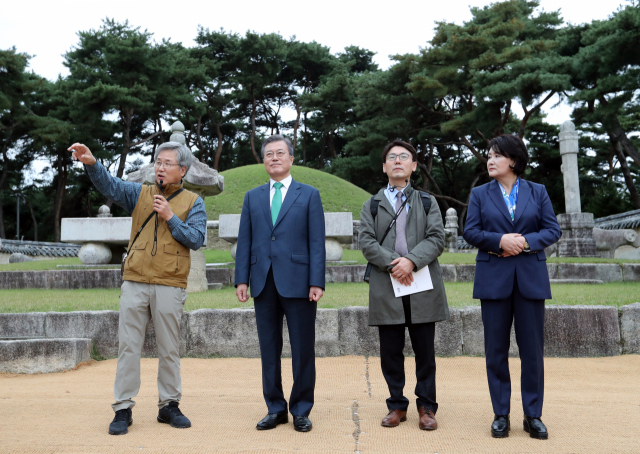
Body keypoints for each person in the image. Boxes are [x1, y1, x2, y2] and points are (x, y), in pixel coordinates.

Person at [68, 142, 206, 435]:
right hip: (135, 280)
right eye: (158, 162)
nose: (160, 167)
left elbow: (195, 238)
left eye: (167, 163)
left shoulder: (194, 201)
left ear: (182, 170)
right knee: (128, 345)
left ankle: (169, 405)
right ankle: (122, 408)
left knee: (169, 347)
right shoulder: (140, 193)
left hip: (170, 281)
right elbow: (112, 185)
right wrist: (92, 163)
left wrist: (170, 216)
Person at [463, 134, 561, 440]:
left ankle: (533, 415)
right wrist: (499, 241)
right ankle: (500, 414)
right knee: (496, 350)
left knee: (532, 351)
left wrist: (525, 242)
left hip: (530, 278)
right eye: (488, 155)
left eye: (496, 155)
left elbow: (552, 229)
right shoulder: (480, 194)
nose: (490, 160)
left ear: (514, 160)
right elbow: (470, 230)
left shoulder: (538, 191)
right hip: (494, 279)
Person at [234, 134, 325, 432]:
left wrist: (317, 280)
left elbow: (316, 242)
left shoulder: (309, 194)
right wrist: (241, 279)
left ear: (291, 158)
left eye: (280, 153)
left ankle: (300, 408)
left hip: (299, 282)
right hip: (262, 282)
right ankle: (275, 408)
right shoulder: (252, 196)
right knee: (268, 348)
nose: (274, 157)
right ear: (263, 160)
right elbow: (245, 241)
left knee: (302, 348)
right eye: (269, 154)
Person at [359, 140, 449, 431]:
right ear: (384, 166)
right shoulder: (371, 205)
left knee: (425, 350)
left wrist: (411, 260)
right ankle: (396, 405)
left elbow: (437, 237)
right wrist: (394, 263)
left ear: (413, 166)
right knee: (390, 350)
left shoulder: (426, 201)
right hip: (387, 284)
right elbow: (366, 242)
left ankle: (427, 407)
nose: (397, 161)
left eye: (404, 157)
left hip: (421, 283)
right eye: (392, 157)